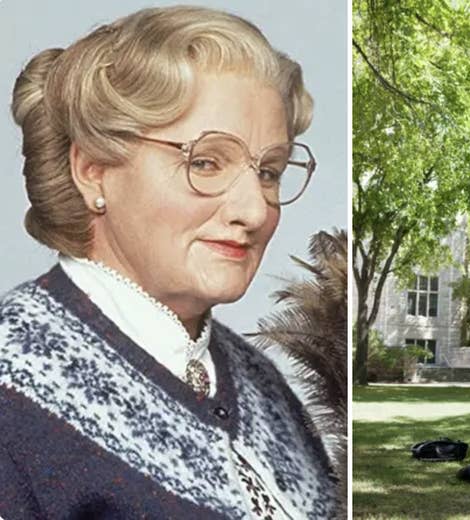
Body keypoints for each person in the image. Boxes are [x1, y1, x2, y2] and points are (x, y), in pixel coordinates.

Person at [0, 6, 337, 518]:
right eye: (205, 162)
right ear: (93, 170)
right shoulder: (11, 386)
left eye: (268, 171)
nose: (254, 210)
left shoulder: (264, 385)